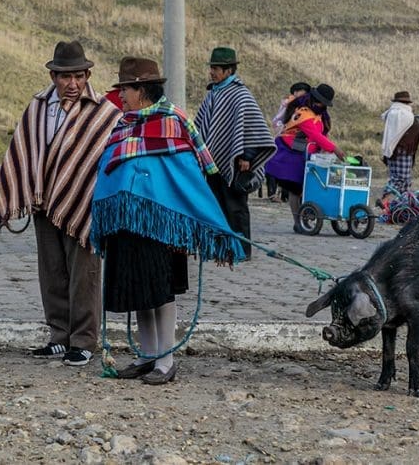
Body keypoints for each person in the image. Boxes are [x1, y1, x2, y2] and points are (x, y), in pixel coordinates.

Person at [90, 57, 246, 384]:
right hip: (128, 223)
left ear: (142, 89)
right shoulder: (124, 124)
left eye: (126, 89)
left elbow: (193, 172)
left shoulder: (175, 122)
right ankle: (147, 357)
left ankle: (166, 360)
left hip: (163, 225)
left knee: (161, 291)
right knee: (139, 292)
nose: (121, 96)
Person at [0, 40, 121, 367]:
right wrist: (24, 188)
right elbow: (23, 150)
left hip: (83, 205)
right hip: (44, 203)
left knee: (83, 274)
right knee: (52, 272)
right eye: (64, 77)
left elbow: (110, 159)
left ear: (87, 75)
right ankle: (59, 335)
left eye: (78, 77)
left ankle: (84, 340)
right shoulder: (38, 106)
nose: (72, 84)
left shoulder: (103, 112)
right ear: (53, 76)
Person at [194, 47, 276, 258]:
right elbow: (202, 125)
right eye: (211, 68)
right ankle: (221, 248)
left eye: (216, 68)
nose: (212, 72)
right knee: (215, 205)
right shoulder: (213, 93)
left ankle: (241, 249)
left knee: (235, 207)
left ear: (229, 70)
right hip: (213, 163)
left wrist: (247, 157)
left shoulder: (241, 95)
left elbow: (254, 128)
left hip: (236, 163)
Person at [263, 83, 346, 233]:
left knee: (308, 186)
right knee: (295, 187)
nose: (322, 105)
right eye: (322, 102)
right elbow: (315, 135)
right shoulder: (304, 114)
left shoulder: (319, 114)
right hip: (289, 152)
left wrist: (325, 149)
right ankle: (298, 222)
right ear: (315, 99)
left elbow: (321, 135)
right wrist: (334, 149)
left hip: (304, 151)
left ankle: (304, 217)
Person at [380, 91, 419, 195]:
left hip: (391, 151)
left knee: (396, 178)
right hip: (404, 151)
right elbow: (415, 129)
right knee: (402, 179)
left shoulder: (391, 113)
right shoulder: (406, 115)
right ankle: (386, 197)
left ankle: (400, 205)